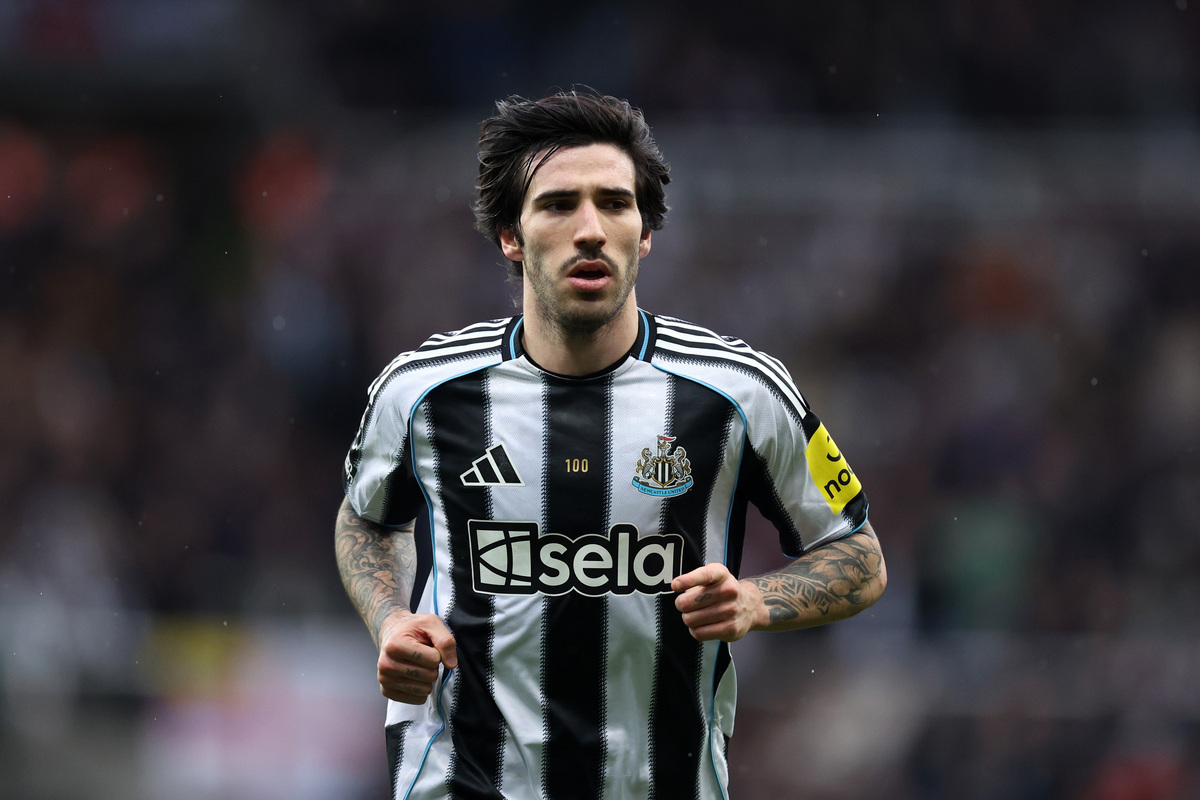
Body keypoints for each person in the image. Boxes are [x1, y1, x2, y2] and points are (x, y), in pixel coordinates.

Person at [335, 89, 886, 800]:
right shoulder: (421, 392)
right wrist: (391, 621)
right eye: (559, 204)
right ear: (511, 233)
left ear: (645, 232)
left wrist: (756, 600)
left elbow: (859, 557)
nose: (590, 229)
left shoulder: (741, 392)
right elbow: (366, 518)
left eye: (615, 203)